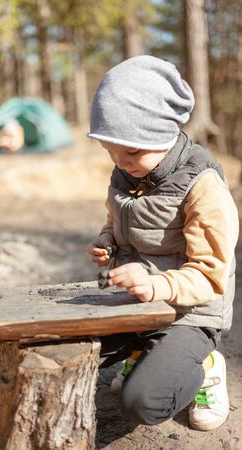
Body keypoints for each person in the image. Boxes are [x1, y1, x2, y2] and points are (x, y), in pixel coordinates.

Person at [86, 55, 239, 431]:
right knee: (63, 339)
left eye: (131, 152)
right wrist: (107, 240)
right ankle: (142, 349)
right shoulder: (129, 169)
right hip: (139, 302)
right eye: (111, 153)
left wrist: (156, 284)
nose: (121, 163)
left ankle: (204, 367)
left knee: (142, 403)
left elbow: (210, 276)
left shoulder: (203, 186)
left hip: (189, 313)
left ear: (161, 132)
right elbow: (117, 217)